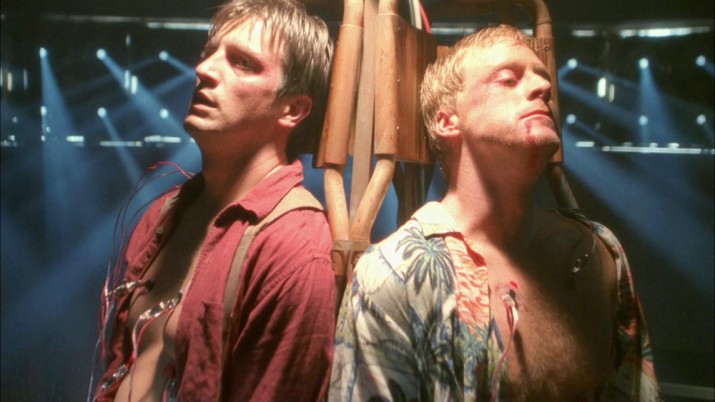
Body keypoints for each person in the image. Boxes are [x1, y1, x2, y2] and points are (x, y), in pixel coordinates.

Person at [329, 25, 660, 401]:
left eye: (543, 79)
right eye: (508, 79)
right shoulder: (393, 275)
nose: (543, 88)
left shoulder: (599, 253)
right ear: (447, 120)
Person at [91, 1, 335, 401]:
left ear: (292, 109)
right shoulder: (163, 214)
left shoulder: (293, 246)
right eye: (209, 53)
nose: (204, 69)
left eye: (243, 63)